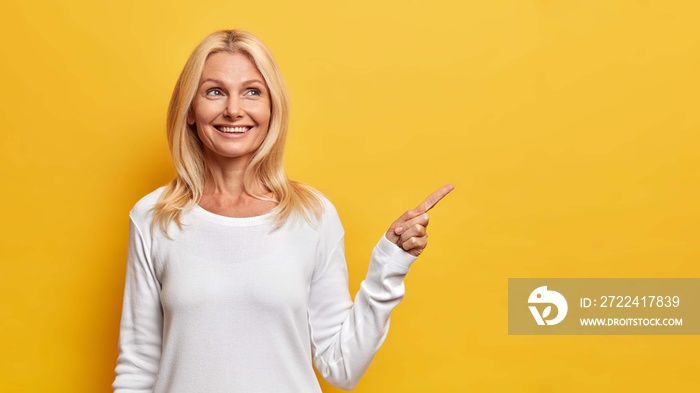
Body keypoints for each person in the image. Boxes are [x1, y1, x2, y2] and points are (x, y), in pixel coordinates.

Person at [112, 29, 453, 393]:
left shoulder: (312, 216)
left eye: (252, 92)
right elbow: (138, 368)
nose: (233, 109)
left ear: (272, 107)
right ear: (190, 110)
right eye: (214, 91)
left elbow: (342, 368)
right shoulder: (153, 217)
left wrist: (390, 263)